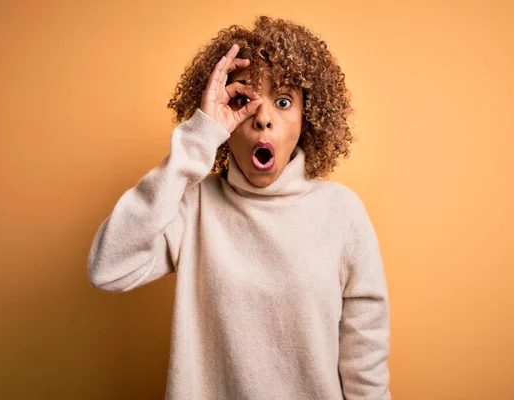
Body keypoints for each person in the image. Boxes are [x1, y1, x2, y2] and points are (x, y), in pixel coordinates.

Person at [88, 15, 391, 400]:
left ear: (307, 118)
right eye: (244, 101)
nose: (263, 118)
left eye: (283, 102)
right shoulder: (193, 205)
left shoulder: (342, 212)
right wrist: (200, 136)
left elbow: (365, 356)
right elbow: (108, 268)